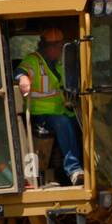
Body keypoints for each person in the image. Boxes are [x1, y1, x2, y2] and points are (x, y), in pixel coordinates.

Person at [16, 27, 84, 185]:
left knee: (82, 123)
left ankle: (87, 168)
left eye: (59, 46)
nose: (57, 50)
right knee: (63, 123)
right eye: (53, 46)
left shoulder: (59, 64)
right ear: (44, 46)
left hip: (59, 110)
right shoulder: (33, 60)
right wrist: (23, 78)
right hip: (39, 114)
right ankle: (73, 169)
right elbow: (20, 70)